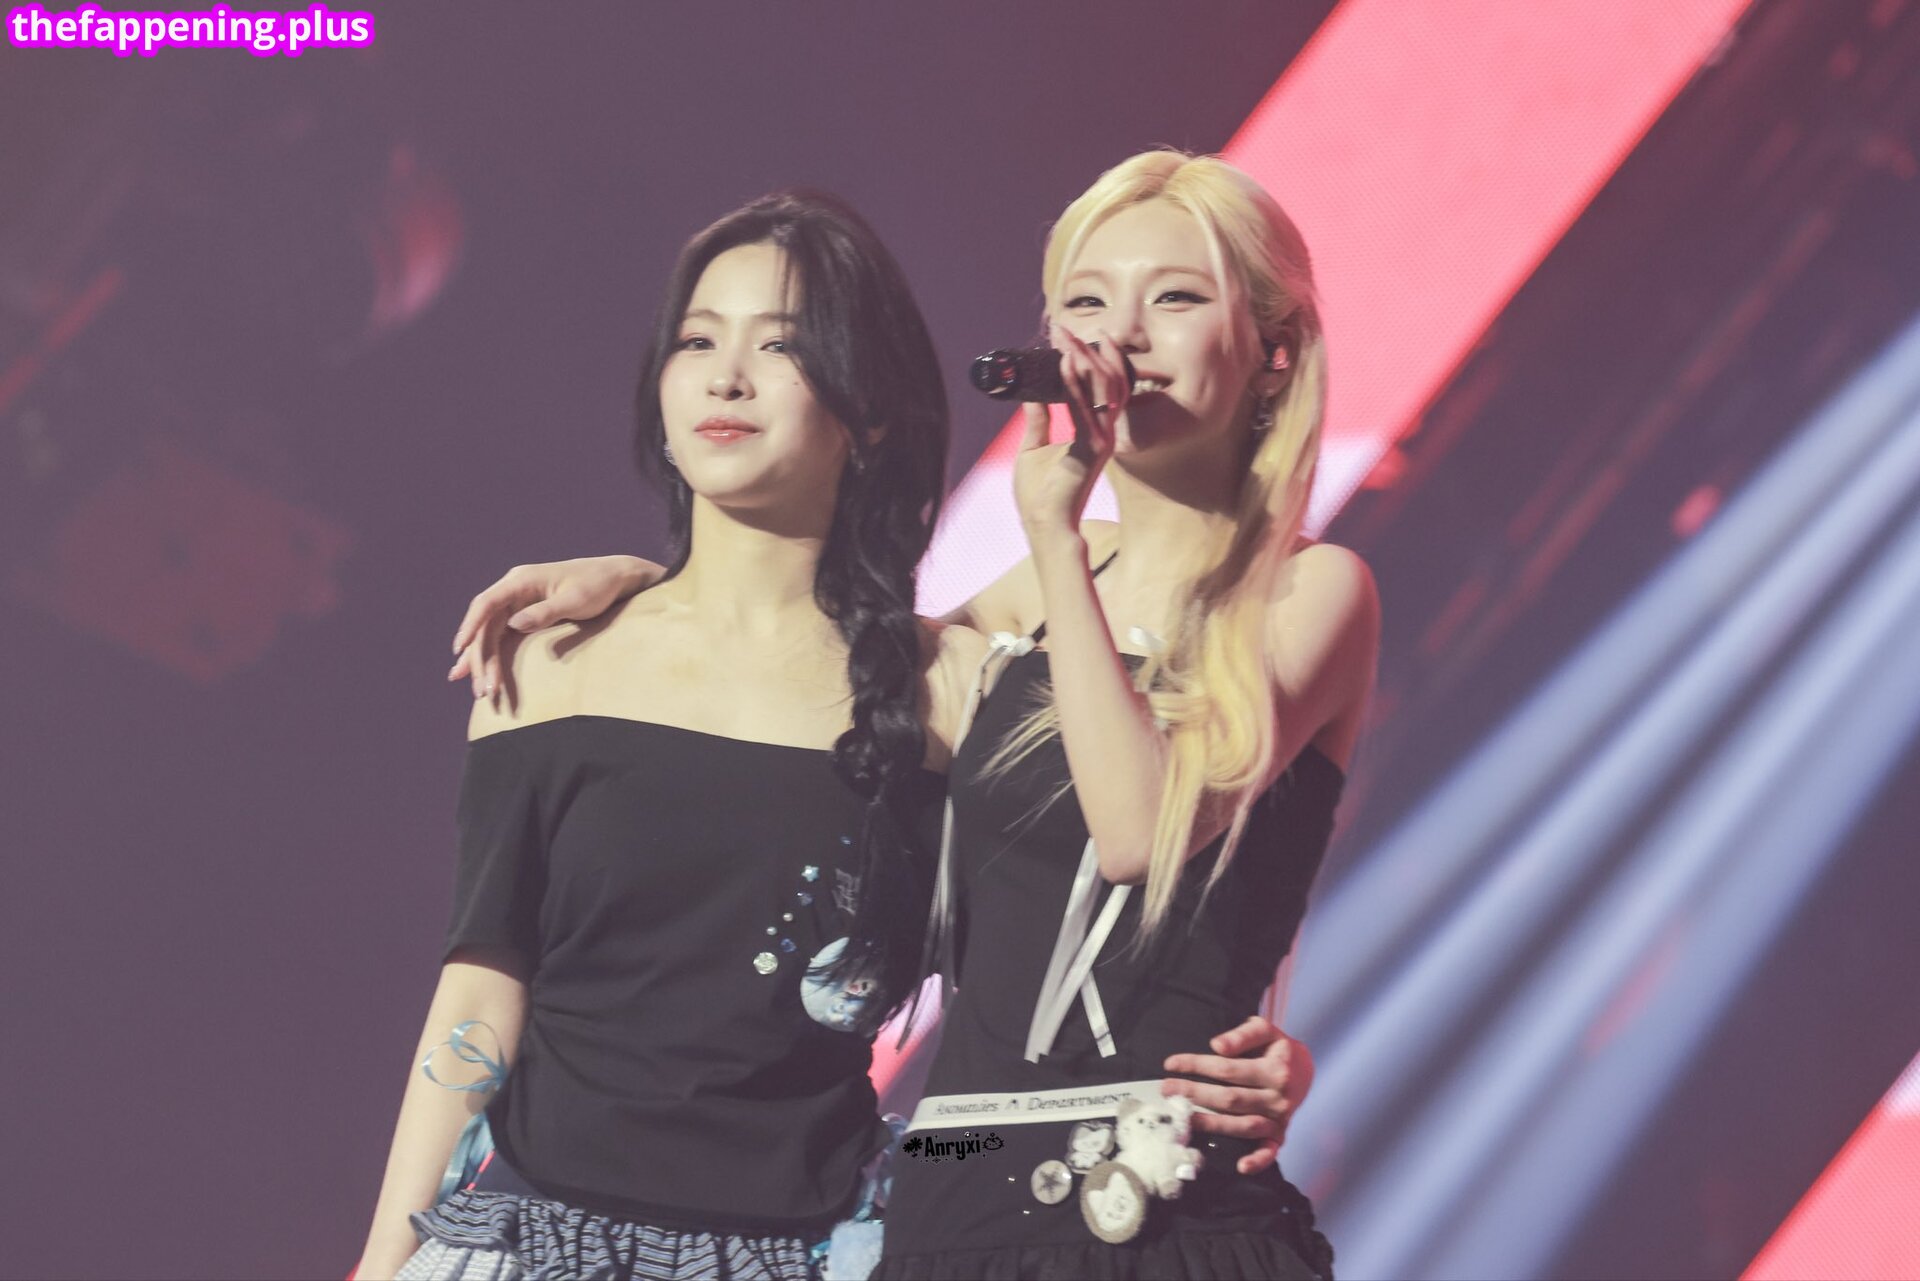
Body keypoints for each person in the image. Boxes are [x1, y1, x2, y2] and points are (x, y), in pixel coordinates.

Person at [450, 150, 1373, 1278]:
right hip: (952, 1184)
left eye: (1174, 298)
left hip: (1156, 1204)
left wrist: (1054, 539)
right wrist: (655, 591)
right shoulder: (1025, 604)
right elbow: (820, 660)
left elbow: (1137, 831)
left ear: (1274, 350)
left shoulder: (1308, 592)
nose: (1122, 338)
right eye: (1087, 304)